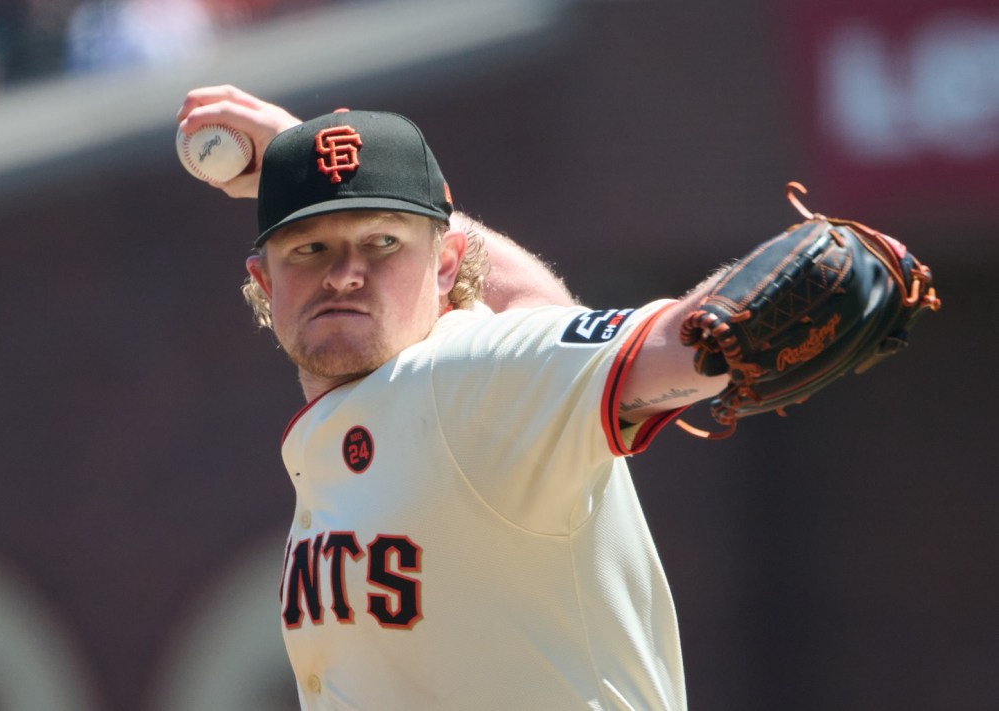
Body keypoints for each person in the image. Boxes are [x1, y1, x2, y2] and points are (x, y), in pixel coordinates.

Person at [177, 86, 725, 710]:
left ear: (446, 266)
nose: (344, 272)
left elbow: (687, 340)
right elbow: (541, 314)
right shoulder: (479, 393)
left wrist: (753, 319)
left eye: (382, 241)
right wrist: (311, 164)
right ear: (264, 281)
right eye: (311, 247)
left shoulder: (462, 379)